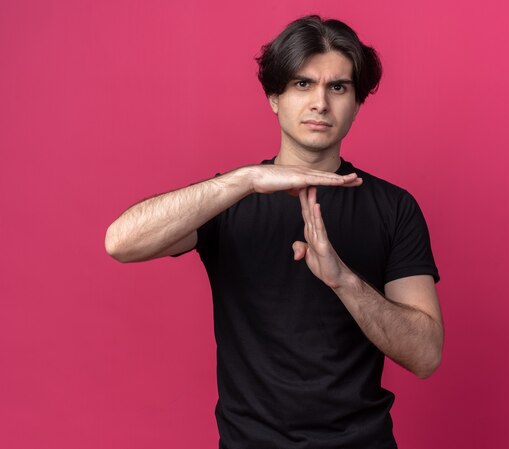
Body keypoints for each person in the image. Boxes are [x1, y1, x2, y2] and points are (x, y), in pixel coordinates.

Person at [105, 15, 444, 449]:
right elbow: (120, 242)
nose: (320, 102)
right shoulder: (228, 199)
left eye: (337, 87)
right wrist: (245, 180)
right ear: (274, 97)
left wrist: (343, 281)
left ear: (357, 103)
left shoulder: (394, 208)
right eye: (303, 84)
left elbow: (426, 357)